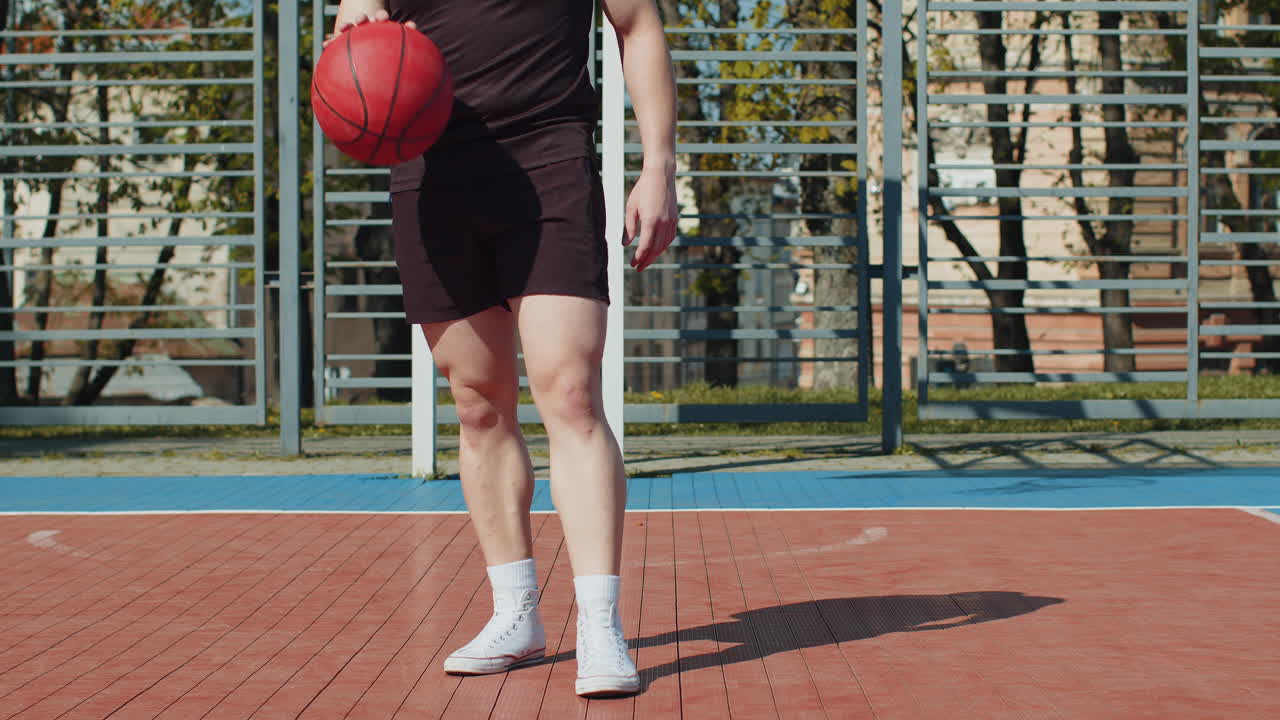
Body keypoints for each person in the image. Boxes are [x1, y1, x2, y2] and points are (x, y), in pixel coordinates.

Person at [329, 0, 677, 698]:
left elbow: (638, 24)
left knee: (571, 392)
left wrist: (659, 165)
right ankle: (515, 614)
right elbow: (354, 34)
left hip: (548, 154)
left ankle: (600, 626)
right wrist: (356, 38)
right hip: (432, 173)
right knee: (478, 405)